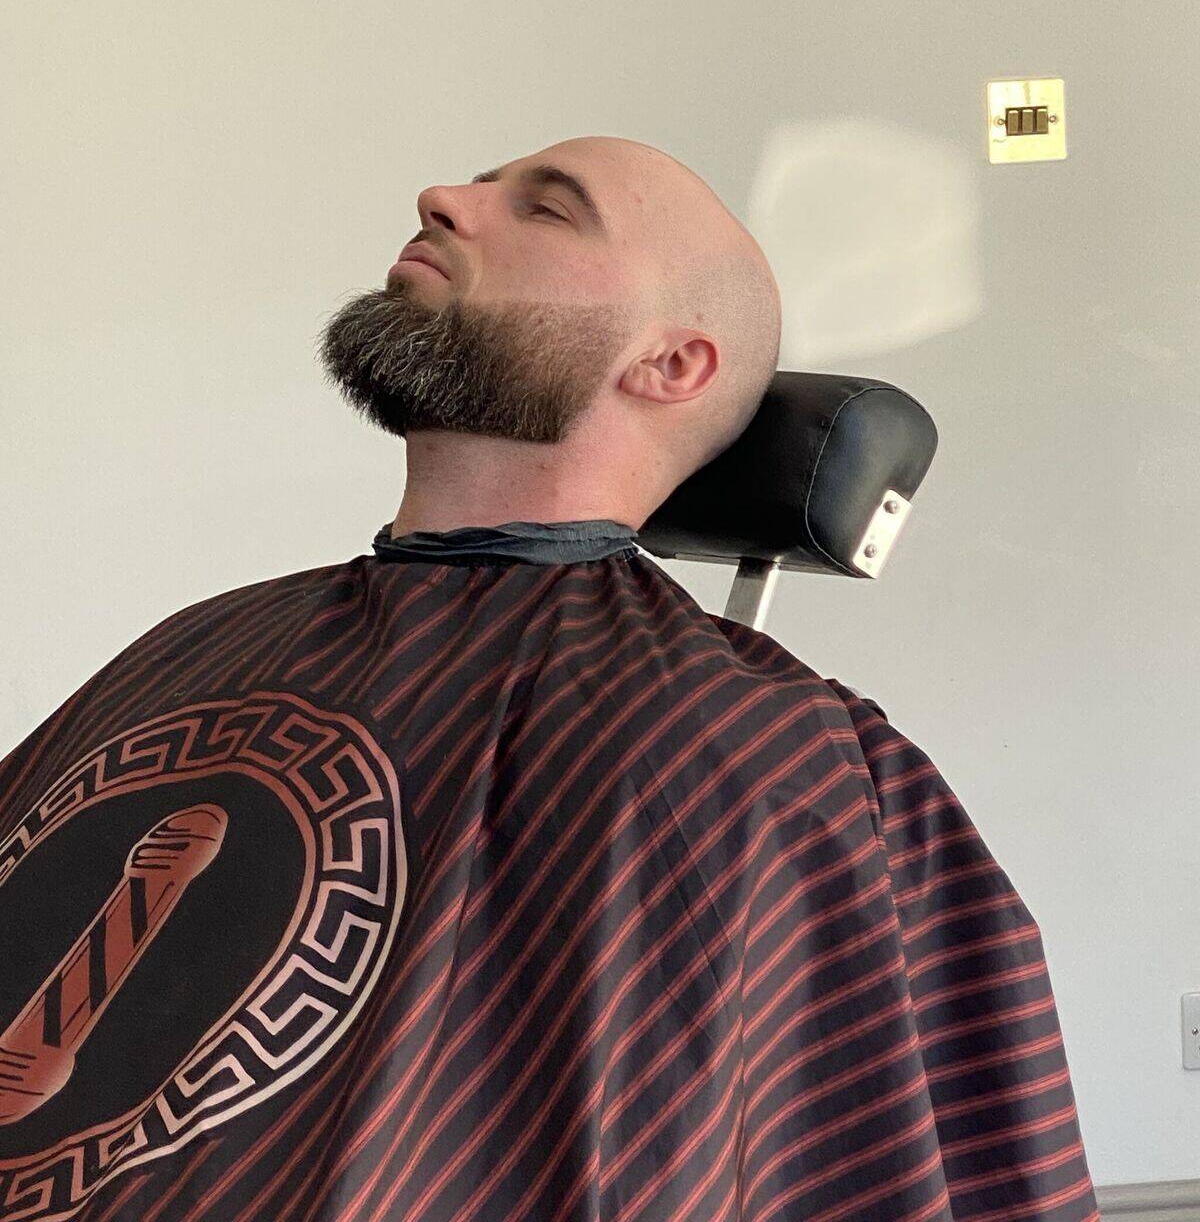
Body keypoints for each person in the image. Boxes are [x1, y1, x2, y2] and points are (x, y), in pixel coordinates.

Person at [0, 135, 1098, 1222]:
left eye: (547, 208)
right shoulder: (210, 638)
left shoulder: (759, 758)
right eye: (480, 182)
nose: (440, 195)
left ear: (672, 365)